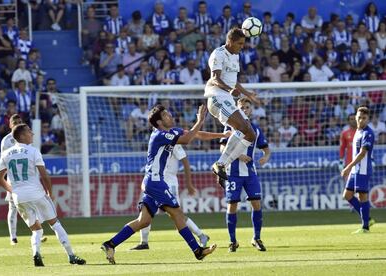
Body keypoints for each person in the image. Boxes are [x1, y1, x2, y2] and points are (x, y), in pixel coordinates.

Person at [101, 104, 217, 264]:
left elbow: (197, 135)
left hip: (153, 182)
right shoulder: (159, 135)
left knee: (144, 221)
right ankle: (198, 250)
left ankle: (110, 244)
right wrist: (200, 120)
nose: (170, 115)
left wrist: (222, 134)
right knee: (177, 214)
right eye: (166, 115)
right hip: (155, 182)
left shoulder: (171, 132)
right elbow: (188, 139)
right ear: (160, 122)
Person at [0, 124, 86, 266]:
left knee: (36, 229)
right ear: (21, 136)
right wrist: (50, 192)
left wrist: (13, 191)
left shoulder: (6, 154)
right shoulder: (33, 151)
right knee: (55, 224)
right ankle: (71, 256)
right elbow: (44, 175)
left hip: (19, 198)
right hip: (36, 194)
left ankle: (36, 254)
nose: (32, 134)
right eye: (29, 132)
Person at [204, 27, 258, 184]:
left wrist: (248, 94)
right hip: (216, 97)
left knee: (250, 134)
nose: (242, 46)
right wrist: (229, 90)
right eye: (240, 43)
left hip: (227, 98)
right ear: (230, 41)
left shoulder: (236, 56)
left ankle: (222, 165)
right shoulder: (218, 54)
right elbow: (215, 78)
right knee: (242, 127)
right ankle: (220, 164)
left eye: (243, 43)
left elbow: (234, 81)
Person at [221, 98, 270, 252]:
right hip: (233, 173)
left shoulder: (255, 129)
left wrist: (265, 157)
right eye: (241, 107)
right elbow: (222, 149)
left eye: (247, 107)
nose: (245, 110)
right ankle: (233, 241)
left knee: (256, 203)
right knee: (232, 205)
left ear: (251, 110)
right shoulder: (230, 127)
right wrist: (238, 156)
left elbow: (266, 149)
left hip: (250, 172)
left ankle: (256, 238)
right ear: (237, 109)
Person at [0, 114, 49, 245]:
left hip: (29, 176)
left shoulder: (27, 136)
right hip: (14, 178)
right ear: (10, 125)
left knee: (34, 205)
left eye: (19, 121)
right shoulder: (6, 141)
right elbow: (5, 161)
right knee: (12, 207)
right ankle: (13, 237)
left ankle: (37, 233)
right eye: (14, 122)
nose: (17, 123)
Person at [341, 106, 376, 233]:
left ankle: (365, 227)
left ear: (368, 119)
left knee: (362, 196)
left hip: (363, 170)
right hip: (356, 169)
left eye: (364, 118)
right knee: (347, 195)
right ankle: (367, 219)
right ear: (356, 117)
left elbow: (362, 154)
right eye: (359, 117)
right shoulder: (357, 131)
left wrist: (348, 167)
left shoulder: (368, 133)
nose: (361, 120)